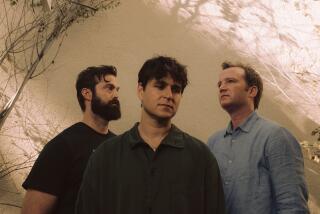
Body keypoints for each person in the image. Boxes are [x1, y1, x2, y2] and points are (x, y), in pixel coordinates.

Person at [76, 56, 226, 214]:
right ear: (141, 91)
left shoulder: (200, 157)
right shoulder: (106, 155)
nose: (169, 95)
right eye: (160, 86)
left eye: (176, 89)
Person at [208, 62, 309, 213]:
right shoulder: (214, 142)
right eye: (219, 84)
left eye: (231, 81)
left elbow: (292, 206)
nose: (222, 87)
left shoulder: (276, 136)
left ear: (252, 91)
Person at [21, 65, 121, 214]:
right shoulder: (62, 146)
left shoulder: (120, 147)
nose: (116, 95)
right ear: (87, 93)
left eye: (117, 89)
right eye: (109, 88)